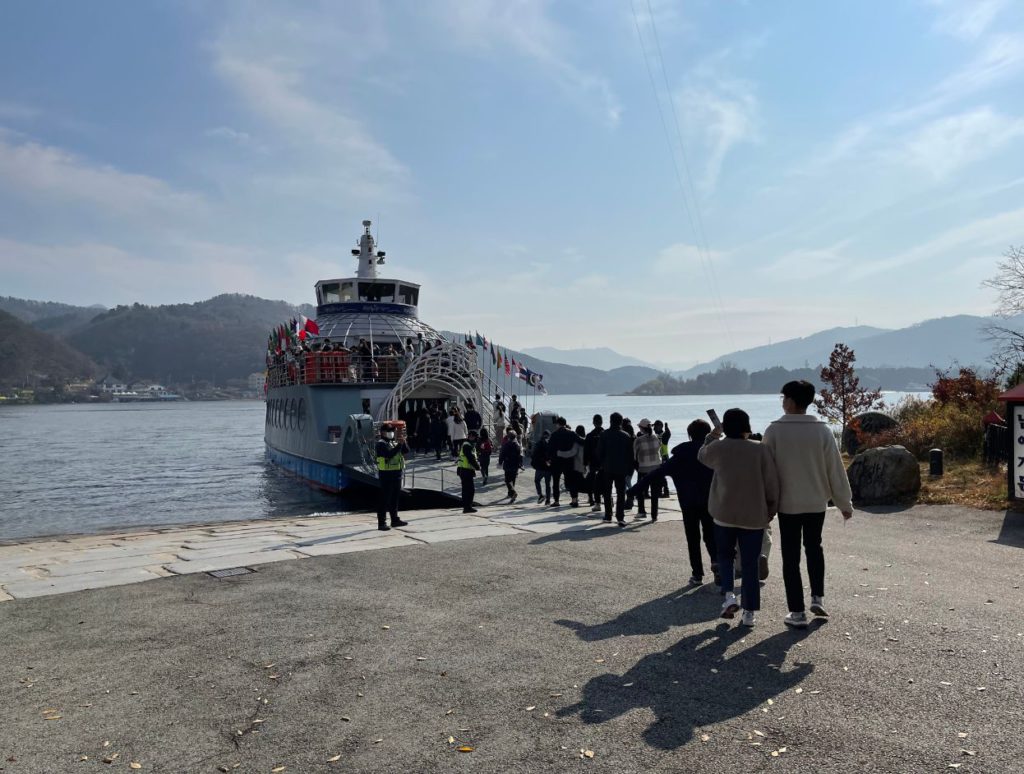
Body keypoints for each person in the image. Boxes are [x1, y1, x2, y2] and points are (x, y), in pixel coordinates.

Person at [762, 380, 854, 629]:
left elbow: (766, 471)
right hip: (816, 502)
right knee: (814, 547)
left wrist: (765, 504)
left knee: (790, 556)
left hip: (787, 503)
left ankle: (797, 612)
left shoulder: (774, 431)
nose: (783, 402)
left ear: (790, 401)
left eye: (783, 398)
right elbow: (835, 469)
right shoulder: (822, 430)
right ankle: (817, 597)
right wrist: (844, 502)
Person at [698, 408, 779, 627]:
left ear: (726, 425)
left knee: (725, 557)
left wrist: (714, 434)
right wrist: (771, 508)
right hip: (753, 516)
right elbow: (771, 483)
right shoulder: (760, 449)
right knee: (750, 564)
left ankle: (728, 596)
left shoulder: (718, 448)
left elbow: (701, 454)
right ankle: (750, 613)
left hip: (723, 514)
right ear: (747, 425)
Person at [631, 419, 718, 586]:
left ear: (689, 435)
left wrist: (635, 490)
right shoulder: (714, 453)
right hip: (711, 502)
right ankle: (716, 563)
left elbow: (657, 473)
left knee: (693, 539)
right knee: (711, 535)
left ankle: (697, 574)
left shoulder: (680, 456)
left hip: (688, 503)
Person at [595, 412, 634, 525]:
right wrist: (629, 469)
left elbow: (599, 452)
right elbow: (630, 455)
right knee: (621, 493)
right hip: (621, 469)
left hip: (607, 468)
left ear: (610, 421)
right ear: (621, 422)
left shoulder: (604, 434)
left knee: (607, 492)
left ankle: (608, 515)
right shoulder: (626, 436)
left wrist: (602, 463)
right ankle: (620, 517)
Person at [375, 423, 409, 531]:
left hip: (396, 473)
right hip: (386, 475)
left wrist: (403, 442)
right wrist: (399, 445)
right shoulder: (381, 444)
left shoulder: (393, 442)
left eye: (392, 431)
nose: (392, 433)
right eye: (389, 431)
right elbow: (388, 455)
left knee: (394, 498)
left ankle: (395, 520)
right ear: (383, 433)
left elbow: (406, 451)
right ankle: (381, 522)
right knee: (385, 499)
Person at [549, 416, 583, 507]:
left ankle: (556, 501)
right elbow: (581, 441)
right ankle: (574, 500)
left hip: (557, 461)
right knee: (572, 481)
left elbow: (550, 449)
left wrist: (549, 459)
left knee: (556, 482)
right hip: (569, 461)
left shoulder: (554, 435)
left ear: (558, 424)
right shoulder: (572, 433)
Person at [633, 418, 662, 521]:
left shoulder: (638, 440)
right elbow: (659, 450)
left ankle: (641, 512)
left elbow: (635, 457)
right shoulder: (656, 438)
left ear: (642, 428)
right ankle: (654, 515)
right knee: (655, 493)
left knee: (640, 490)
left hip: (643, 469)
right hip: (656, 468)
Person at [457, 430, 481, 513]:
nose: (476, 439)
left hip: (465, 470)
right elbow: (470, 458)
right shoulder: (467, 446)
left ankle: (466, 506)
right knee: (470, 489)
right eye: (475, 437)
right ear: (470, 436)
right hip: (465, 470)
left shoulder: (469, 445)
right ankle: (467, 507)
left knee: (466, 489)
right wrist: (477, 467)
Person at [584, 414, 604, 512]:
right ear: (602, 422)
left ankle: (596, 502)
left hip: (593, 463)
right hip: (605, 463)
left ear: (593, 422)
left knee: (594, 483)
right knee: (606, 482)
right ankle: (609, 499)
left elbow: (586, 451)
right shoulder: (606, 434)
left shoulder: (589, 435)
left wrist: (584, 463)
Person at [498, 429, 524, 502]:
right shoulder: (518, 445)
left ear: (508, 437)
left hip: (508, 463)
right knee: (513, 479)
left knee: (507, 480)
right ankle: (510, 493)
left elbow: (502, 454)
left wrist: (500, 462)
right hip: (515, 464)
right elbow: (520, 455)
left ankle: (513, 492)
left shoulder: (506, 444)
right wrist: (520, 464)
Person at [531, 429, 553, 505]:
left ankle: (540, 495)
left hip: (540, 467)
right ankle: (548, 500)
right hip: (549, 467)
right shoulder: (551, 444)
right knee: (548, 484)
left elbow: (534, 455)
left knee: (537, 480)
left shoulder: (539, 443)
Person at [653, 420, 672, 498]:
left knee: (661, 475)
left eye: (655, 427)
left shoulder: (663, 435)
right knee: (659, 475)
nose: (654, 428)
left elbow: (667, 435)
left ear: (660, 426)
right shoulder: (657, 435)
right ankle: (661, 491)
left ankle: (666, 491)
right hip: (659, 457)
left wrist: (667, 429)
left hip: (663, 456)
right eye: (654, 427)